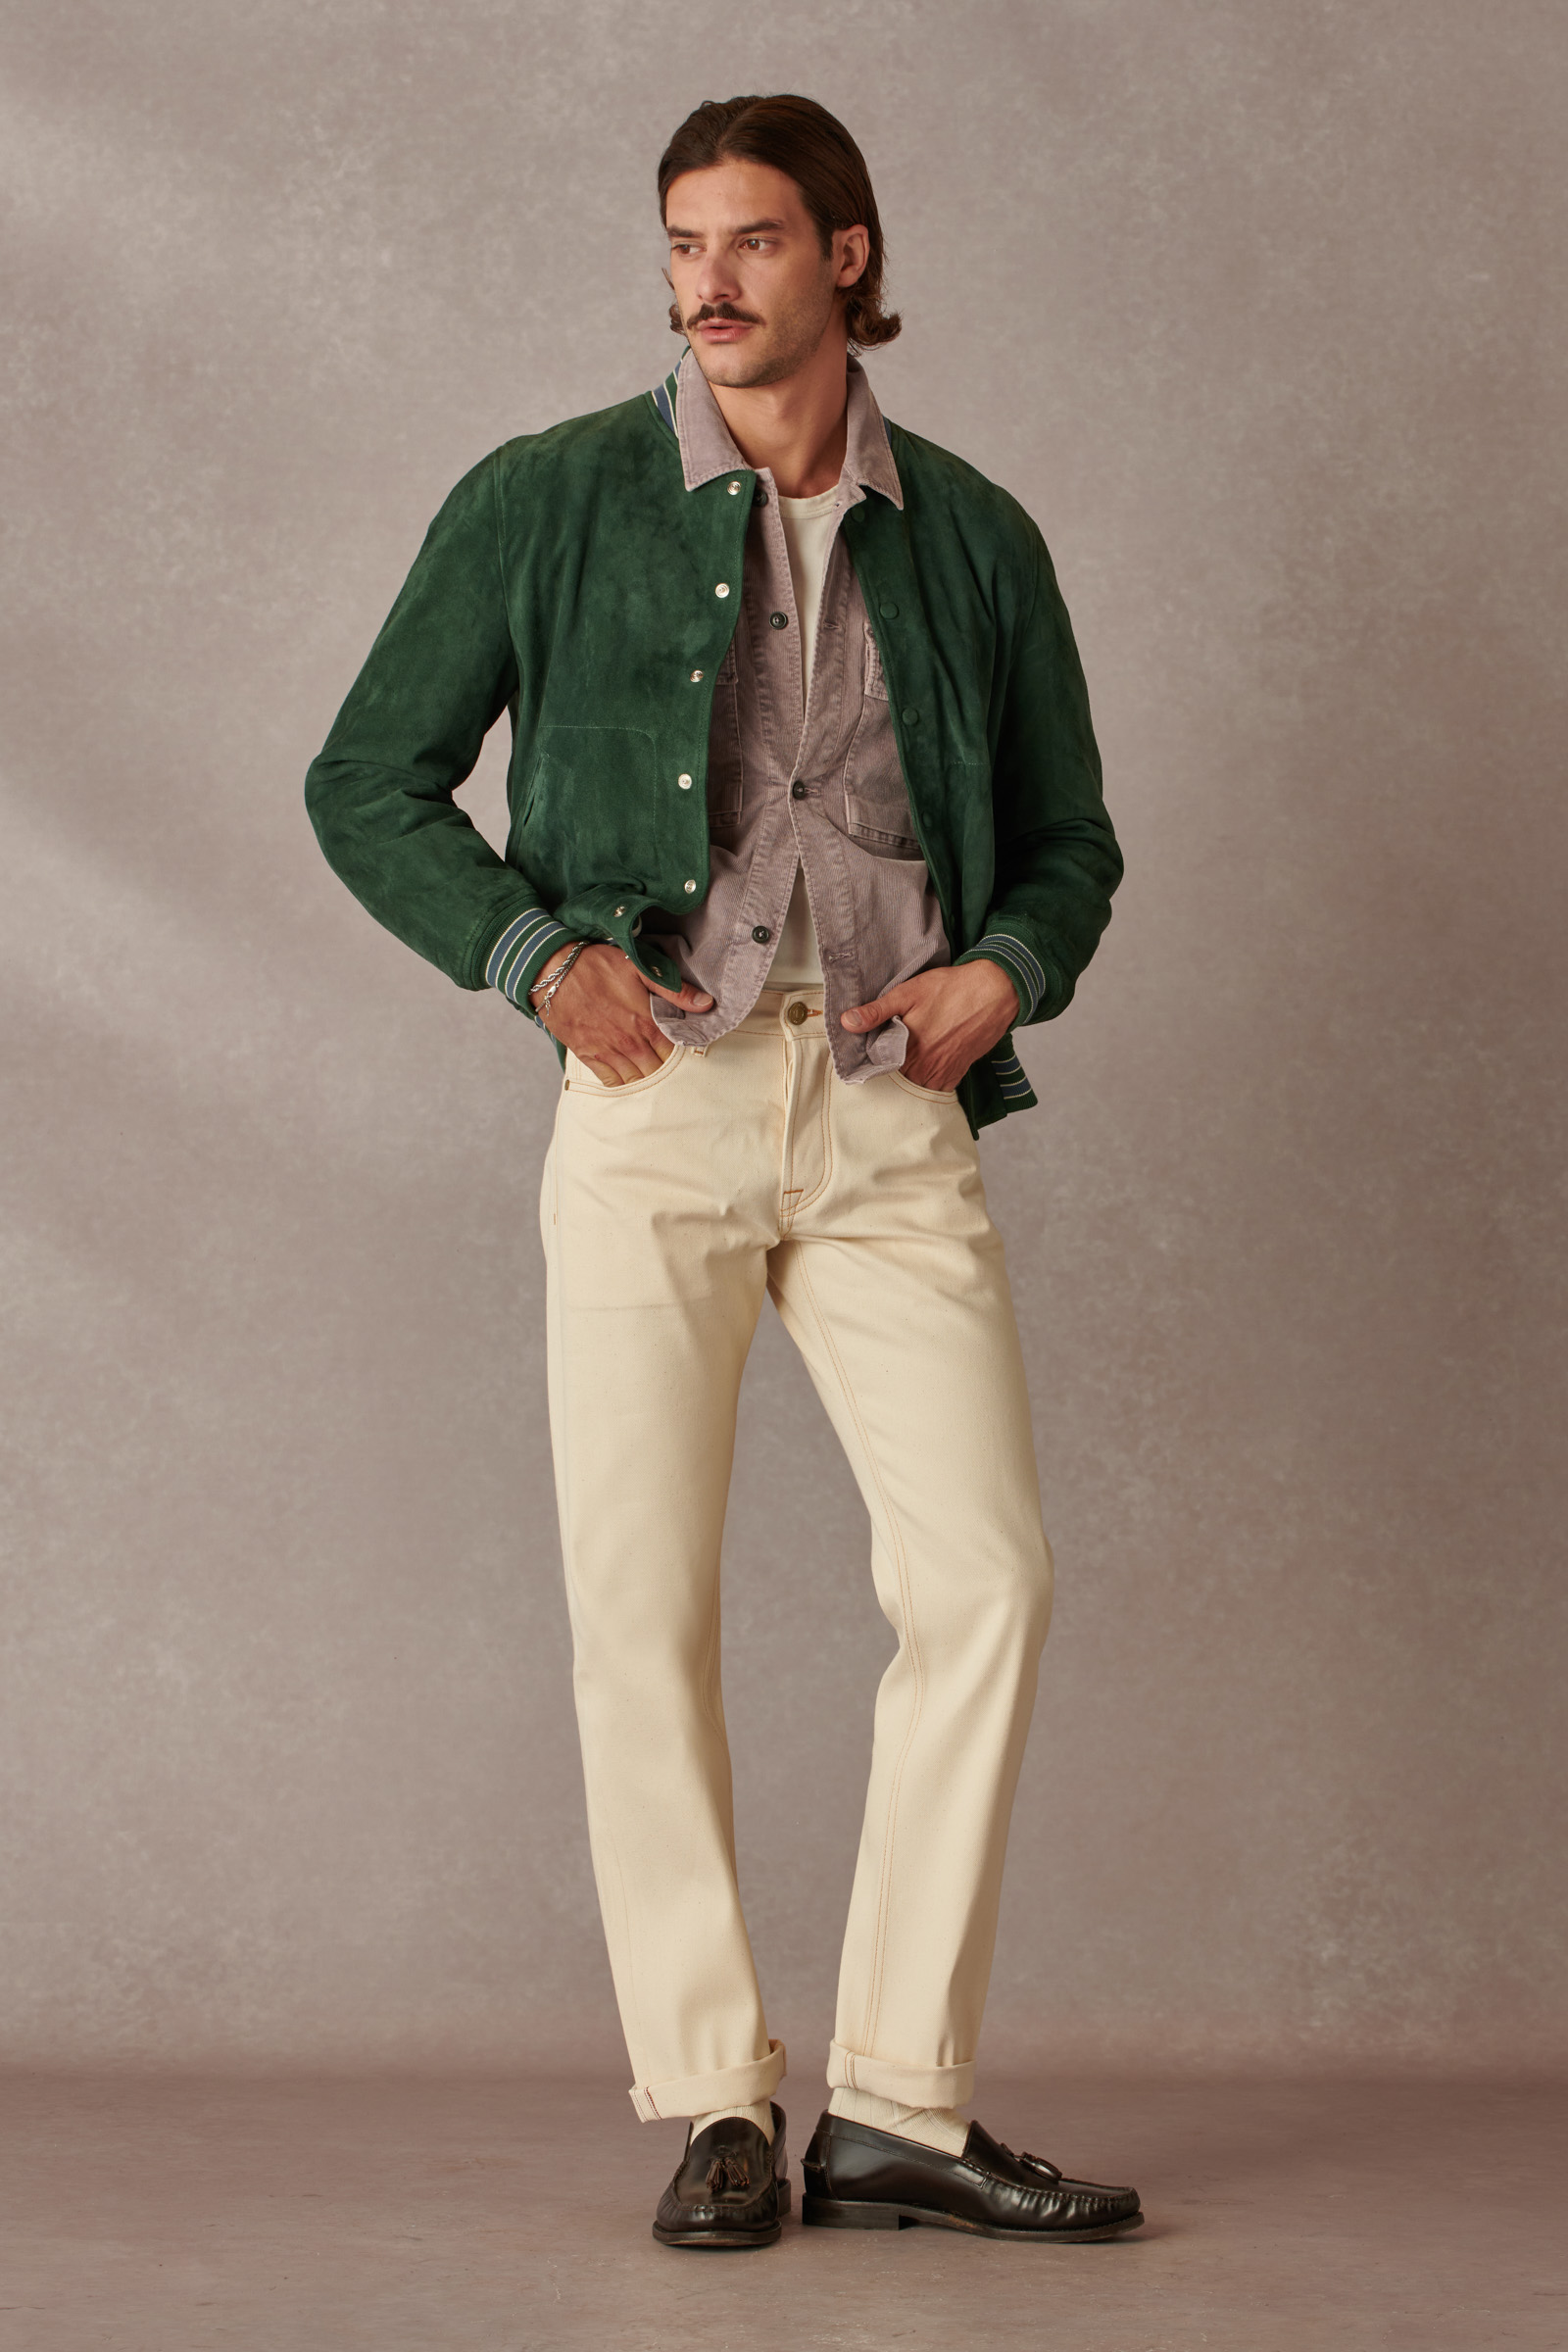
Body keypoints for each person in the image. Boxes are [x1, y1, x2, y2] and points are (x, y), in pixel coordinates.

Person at [306, 91, 1140, 2249]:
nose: (707, 280)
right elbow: (366, 778)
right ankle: (715, 2102)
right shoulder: (548, 498)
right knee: (638, 1610)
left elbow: (1070, 839)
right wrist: (532, 956)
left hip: (884, 1107)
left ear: (846, 257)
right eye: (682, 242)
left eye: (752, 239)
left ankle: (898, 2105)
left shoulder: (974, 537)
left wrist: (1004, 975)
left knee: (986, 1580)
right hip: (655, 1106)